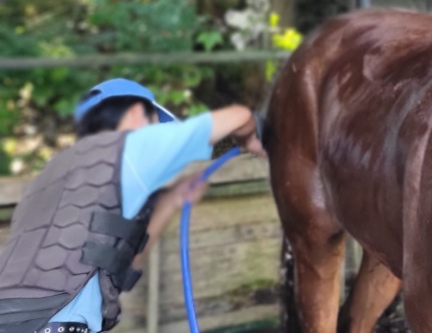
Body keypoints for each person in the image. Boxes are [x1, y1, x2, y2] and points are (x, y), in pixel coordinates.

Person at [0, 78, 264, 333]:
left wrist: (172, 201)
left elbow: (119, 263)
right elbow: (237, 116)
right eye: (155, 123)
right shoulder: (129, 147)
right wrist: (252, 135)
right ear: (136, 114)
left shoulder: (51, 176)